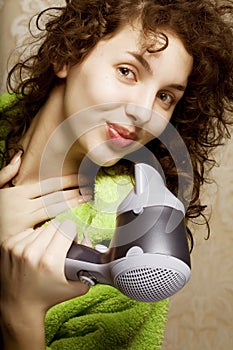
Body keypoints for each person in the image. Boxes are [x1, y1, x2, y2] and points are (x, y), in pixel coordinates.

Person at [0, 0, 232, 349]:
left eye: (166, 97)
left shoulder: (135, 244)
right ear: (68, 55)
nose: (144, 112)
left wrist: (20, 313)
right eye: (127, 71)